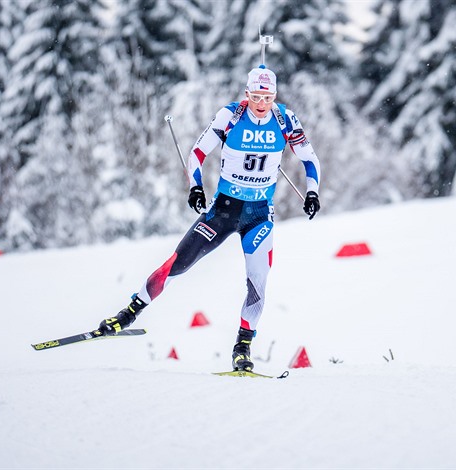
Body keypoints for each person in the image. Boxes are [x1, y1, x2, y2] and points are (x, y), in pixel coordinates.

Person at [97, 65, 321, 371]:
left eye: (267, 97)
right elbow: (197, 153)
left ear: (275, 96)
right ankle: (128, 313)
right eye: (255, 95)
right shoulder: (230, 115)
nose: (261, 103)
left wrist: (312, 192)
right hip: (223, 211)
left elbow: (309, 158)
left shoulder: (284, 119)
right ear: (246, 94)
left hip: (259, 215)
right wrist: (196, 187)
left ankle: (242, 347)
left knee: (258, 281)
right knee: (178, 262)